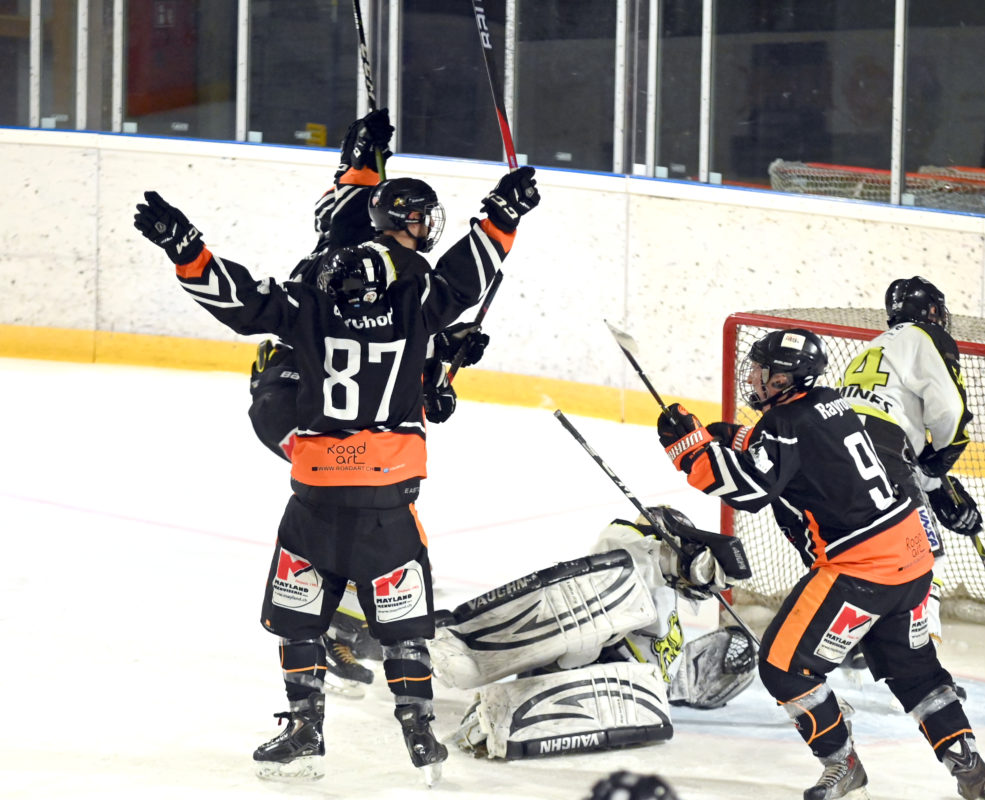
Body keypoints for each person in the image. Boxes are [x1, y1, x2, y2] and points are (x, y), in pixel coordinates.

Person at [133, 162, 540, 785]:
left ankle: (303, 728)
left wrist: (185, 247)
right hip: (387, 488)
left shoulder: (311, 302)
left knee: (300, 613)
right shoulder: (418, 300)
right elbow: (470, 268)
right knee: (402, 622)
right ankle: (419, 729)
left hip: (318, 487)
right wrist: (504, 213)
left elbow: (240, 303)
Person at [654, 328, 985, 800]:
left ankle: (843, 764)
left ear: (784, 380)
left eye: (762, 372)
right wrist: (737, 438)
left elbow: (753, 490)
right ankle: (970, 765)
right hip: (913, 559)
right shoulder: (834, 404)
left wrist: (690, 450)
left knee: (782, 667)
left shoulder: (783, 425)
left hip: (861, 569)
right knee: (915, 670)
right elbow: (805, 451)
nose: (753, 378)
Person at [247, 108, 491, 695]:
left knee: (370, 503)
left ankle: (335, 616)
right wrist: (361, 158)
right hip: (294, 400)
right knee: (359, 506)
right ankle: (329, 622)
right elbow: (342, 218)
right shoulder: (343, 261)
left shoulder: (387, 270)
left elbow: (392, 359)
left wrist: (438, 368)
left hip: (312, 397)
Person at [428, 507, 756, 760]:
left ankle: (510, 709)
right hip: (579, 659)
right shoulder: (625, 562)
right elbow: (620, 546)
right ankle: (484, 675)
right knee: (611, 591)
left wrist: (701, 671)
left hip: (631, 681)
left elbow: (671, 647)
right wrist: (676, 559)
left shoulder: (668, 592)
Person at [840, 276, 982, 648]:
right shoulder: (927, 336)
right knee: (923, 554)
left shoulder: (872, 348)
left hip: (838, 449)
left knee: (866, 551)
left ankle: (859, 638)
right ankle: (924, 663)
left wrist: (935, 487)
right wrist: (943, 458)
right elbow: (949, 409)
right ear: (932, 311)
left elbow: (888, 427)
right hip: (884, 451)